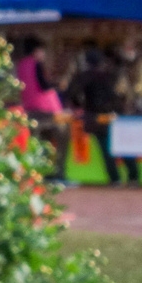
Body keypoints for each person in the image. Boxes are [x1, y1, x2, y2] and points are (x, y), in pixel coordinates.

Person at [70, 47, 137, 186]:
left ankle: (115, 179)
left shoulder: (85, 76)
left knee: (106, 149)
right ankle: (133, 177)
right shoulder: (110, 74)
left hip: (96, 117)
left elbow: (72, 93)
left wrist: (79, 106)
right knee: (123, 146)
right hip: (115, 116)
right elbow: (121, 95)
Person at [16, 39, 68, 182]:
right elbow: (43, 85)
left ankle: (40, 172)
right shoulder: (36, 64)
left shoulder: (21, 65)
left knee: (39, 141)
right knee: (60, 138)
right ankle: (57, 173)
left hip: (29, 108)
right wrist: (58, 85)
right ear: (36, 50)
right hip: (46, 110)